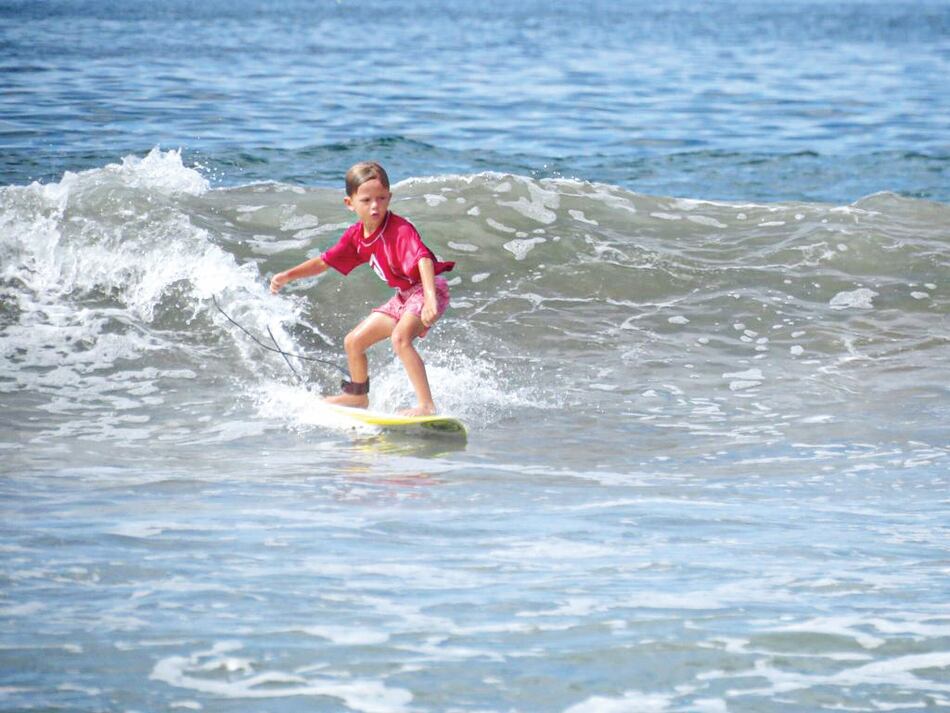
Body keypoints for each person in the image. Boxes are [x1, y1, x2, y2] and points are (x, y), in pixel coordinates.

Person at [269, 161, 454, 416]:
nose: (375, 206)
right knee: (354, 342)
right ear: (350, 203)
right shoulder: (356, 237)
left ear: (390, 197)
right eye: (366, 200)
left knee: (400, 339)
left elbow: (422, 258)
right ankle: (357, 398)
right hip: (404, 296)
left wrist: (431, 301)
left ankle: (426, 405)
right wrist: (288, 276)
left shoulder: (400, 229)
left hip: (426, 289)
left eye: (381, 198)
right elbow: (324, 262)